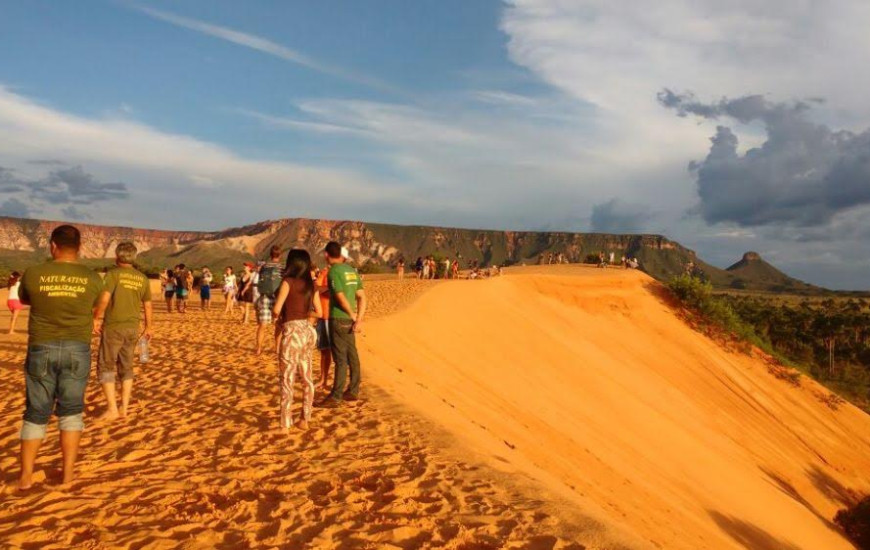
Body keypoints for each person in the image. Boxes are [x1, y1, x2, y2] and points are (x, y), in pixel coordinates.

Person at [17, 225, 105, 489]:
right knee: (71, 411)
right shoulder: (92, 278)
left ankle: (25, 478)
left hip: (41, 346)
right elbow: (94, 303)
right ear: (79, 247)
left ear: (52, 246)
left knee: (35, 412)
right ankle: (67, 476)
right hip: (77, 348)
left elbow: (26, 299)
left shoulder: (34, 273)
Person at [94, 242, 153, 421]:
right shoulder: (142, 278)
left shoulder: (113, 275)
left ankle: (112, 408)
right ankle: (124, 408)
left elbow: (104, 298)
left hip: (113, 326)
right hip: (133, 328)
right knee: (126, 366)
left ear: (117, 256)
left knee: (106, 366)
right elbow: (148, 304)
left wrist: (96, 317)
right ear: (134, 258)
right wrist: (149, 326)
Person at [272, 249, 321, 431]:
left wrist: (277, 318)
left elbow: (277, 309)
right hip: (308, 332)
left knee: (287, 379)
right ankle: (304, 419)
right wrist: (305, 315)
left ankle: (285, 424)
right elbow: (320, 312)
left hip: (291, 332)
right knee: (307, 378)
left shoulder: (288, 282)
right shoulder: (311, 285)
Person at [318, 242, 367, 408]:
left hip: (338, 318)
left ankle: (336, 395)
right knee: (352, 354)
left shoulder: (334, 272)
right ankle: (353, 390)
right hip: (350, 320)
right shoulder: (351, 271)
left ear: (327, 255)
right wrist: (358, 318)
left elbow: (339, 296)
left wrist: (352, 314)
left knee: (340, 358)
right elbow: (362, 297)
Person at [255, 246, 283, 355]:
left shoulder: (264, 266)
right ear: (280, 255)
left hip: (264, 296)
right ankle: (277, 348)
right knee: (278, 325)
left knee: (262, 325)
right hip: (277, 296)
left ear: (270, 255)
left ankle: (259, 348)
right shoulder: (282, 267)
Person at [314, 262, 332, 391]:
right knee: (324, 351)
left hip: (333, 317)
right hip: (323, 316)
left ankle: (327, 380)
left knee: (334, 352)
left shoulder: (340, 273)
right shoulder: (325, 272)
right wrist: (330, 289)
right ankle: (323, 379)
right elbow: (316, 288)